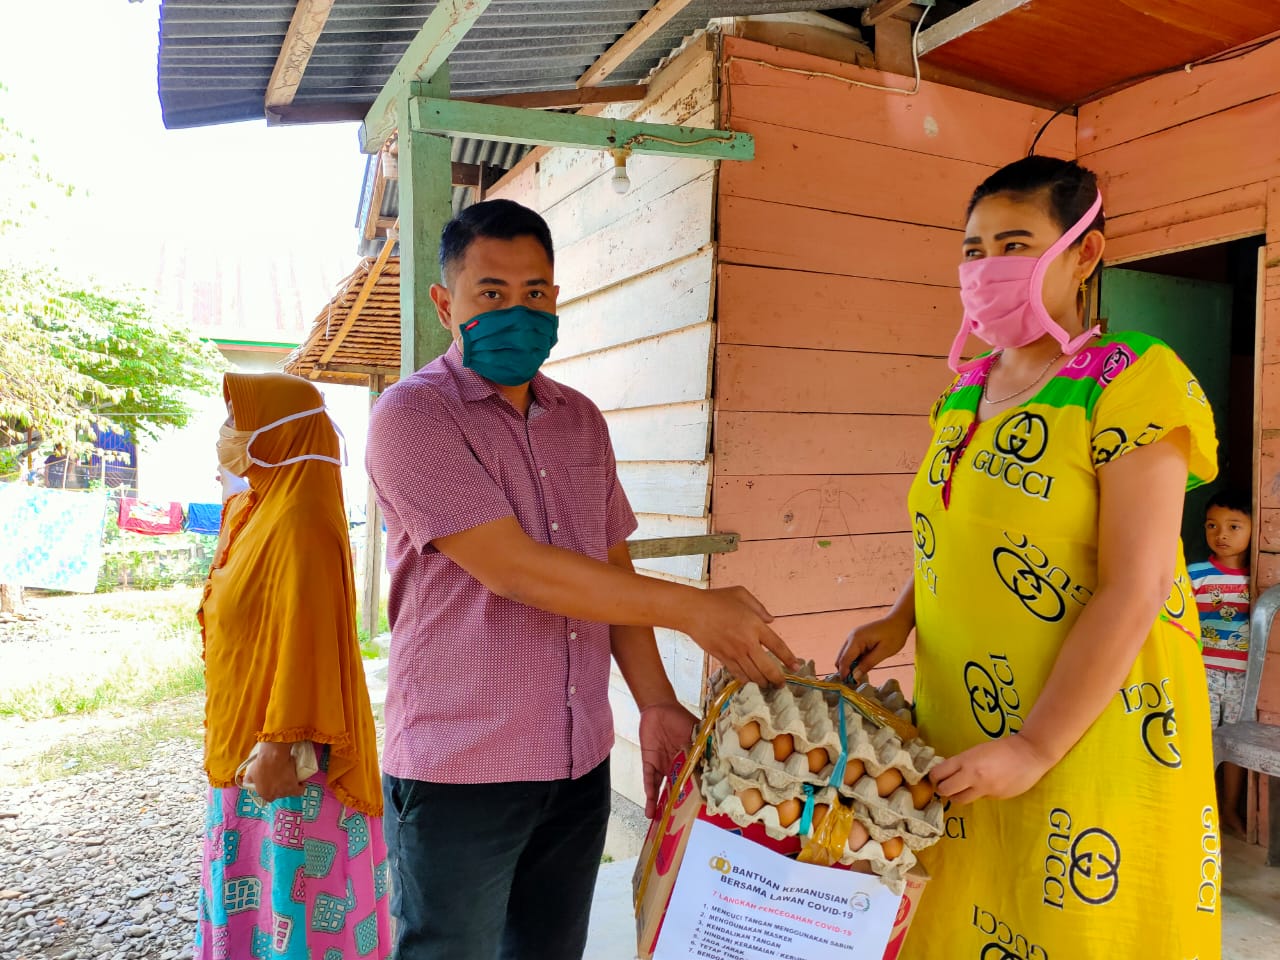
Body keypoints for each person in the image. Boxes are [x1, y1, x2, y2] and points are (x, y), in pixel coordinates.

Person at [365, 198, 799, 960]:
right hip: (461, 773)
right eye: (491, 293)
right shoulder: (413, 417)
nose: (516, 311)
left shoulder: (581, 421)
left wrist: (656, 702)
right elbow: (515, 570)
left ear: (556, 299)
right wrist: (694, 610)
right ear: (445, 303)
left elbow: (609, 569)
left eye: (534, 292)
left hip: (577, 765)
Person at [838, 156, 1221, 958]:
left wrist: (1035, 745)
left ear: (1085, 253)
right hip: (962, 719)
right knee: (964, 908)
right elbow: (959, 527)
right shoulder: (964, 390)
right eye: (973, 250)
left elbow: (1139, 583)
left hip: (1089, 725)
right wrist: (902, 615)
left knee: (1073, 929)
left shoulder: (1134, 379)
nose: (987, 268)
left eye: (1015, 245)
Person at [195, 372, 390, 960]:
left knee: (293, 910)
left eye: (241, 421)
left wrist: (278, 746)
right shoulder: (259, 507)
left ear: (282, 432)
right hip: (247, 744)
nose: (228, 434)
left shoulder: (303, 518)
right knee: (256, 905)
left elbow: (309, 637)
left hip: (286, 762)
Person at [1190, 489, 1253, 835]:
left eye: (1233, 526)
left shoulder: (1258, 578)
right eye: (1212, 525)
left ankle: (1228, 809)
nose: (1221, 534)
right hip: (1204, 673)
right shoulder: (1196, 574)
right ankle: (1202, 807)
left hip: (1244, 678)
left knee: (1235, 745)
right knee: (1202, 742)